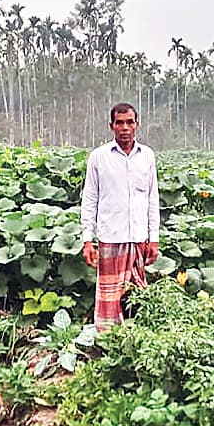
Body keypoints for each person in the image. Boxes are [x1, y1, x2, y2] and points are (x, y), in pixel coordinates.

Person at [80, 103, 160, 331]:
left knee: (137, 296)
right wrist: (87, 240)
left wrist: (153, 238)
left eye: (129, 122)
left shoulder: (147, 156)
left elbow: (152, 199)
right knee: (110, 300)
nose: (125, 127)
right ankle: (108, 343)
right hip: (110, 238)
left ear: (137, 125)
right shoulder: (98, 157)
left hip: (138, 240)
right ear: (111, 126)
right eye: (120, 123)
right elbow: (90, 200)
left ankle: (139, 339)